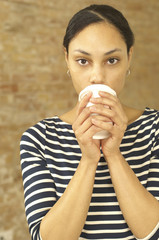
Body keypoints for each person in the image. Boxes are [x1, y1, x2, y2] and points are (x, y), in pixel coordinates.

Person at [20, 4, 159, 240]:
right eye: (83, 61)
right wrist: (88, 159)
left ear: (129, 58)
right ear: (67, 60)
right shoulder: (38, 139)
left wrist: (113, 154)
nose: (97, 76)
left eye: (112, 60)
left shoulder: (154, 129)